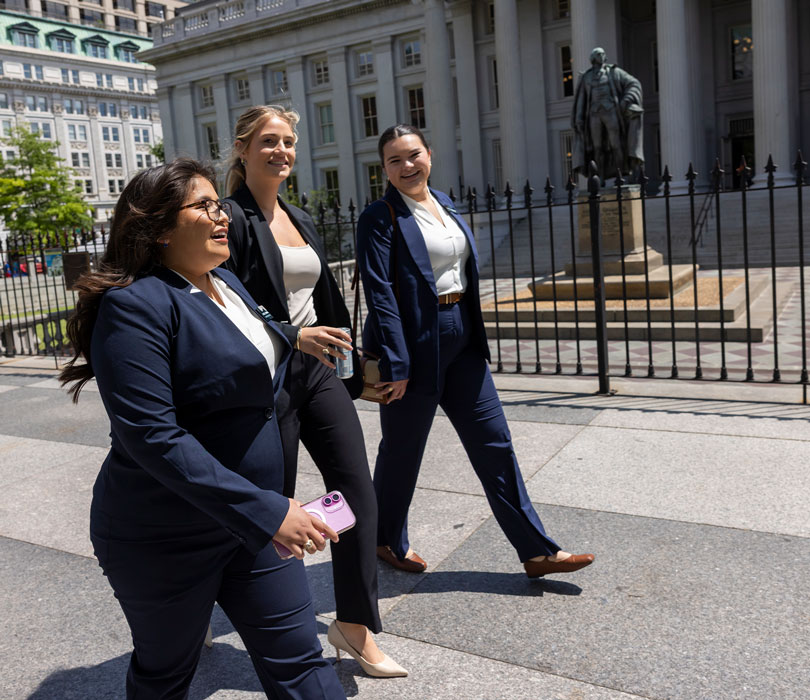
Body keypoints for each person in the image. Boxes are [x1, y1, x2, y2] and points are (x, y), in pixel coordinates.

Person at [59, 158, 347, 700]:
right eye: (205, 205)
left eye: (221, 204)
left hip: (256, 526)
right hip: (166, 536)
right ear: (161, 228)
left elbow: (237, 340)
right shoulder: (134, 307)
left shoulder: (227, 281)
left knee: (302, 665)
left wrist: (293, 336)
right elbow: (151, 435)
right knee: (167, 671)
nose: (224, 216)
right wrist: (267, 510)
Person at [356, 124, 596, 579]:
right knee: (403, 451)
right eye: (395, 160)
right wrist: (398, 362)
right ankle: (385, 538)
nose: (407, 166)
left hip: (461, 337)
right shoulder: (380, 215)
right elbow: (381, 293)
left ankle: (536, 550)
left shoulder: (444, 203)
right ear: (383, 168)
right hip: (414, 344)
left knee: (495, 444)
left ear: (430, 154)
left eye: (413, 155)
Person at [223, 106, 406, 678]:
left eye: (288, 142)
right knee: (266, 500)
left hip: (318, 374)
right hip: (265, 377)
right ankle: (221, 599)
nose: (282, 151)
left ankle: (353, 625)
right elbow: (221, 298)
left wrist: (349, 362)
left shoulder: (298, 215)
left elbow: (324, 297)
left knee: (356, 494)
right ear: (244, 149)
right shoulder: (229, 216)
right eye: (269, 142)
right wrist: (290, 335)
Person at [571, 46, 644, 180]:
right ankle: (599, 177)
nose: (603, 56)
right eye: (599, 54)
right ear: (593, 58)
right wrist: (578, 118)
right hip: (594, 114)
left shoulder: (613, 72)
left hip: (610, 111)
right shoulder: (586, 77)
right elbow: (581, 99)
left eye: (603, 54)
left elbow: (634, 83)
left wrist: (625, 101)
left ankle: (621, 174)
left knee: (616, 144)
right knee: (596, 147)